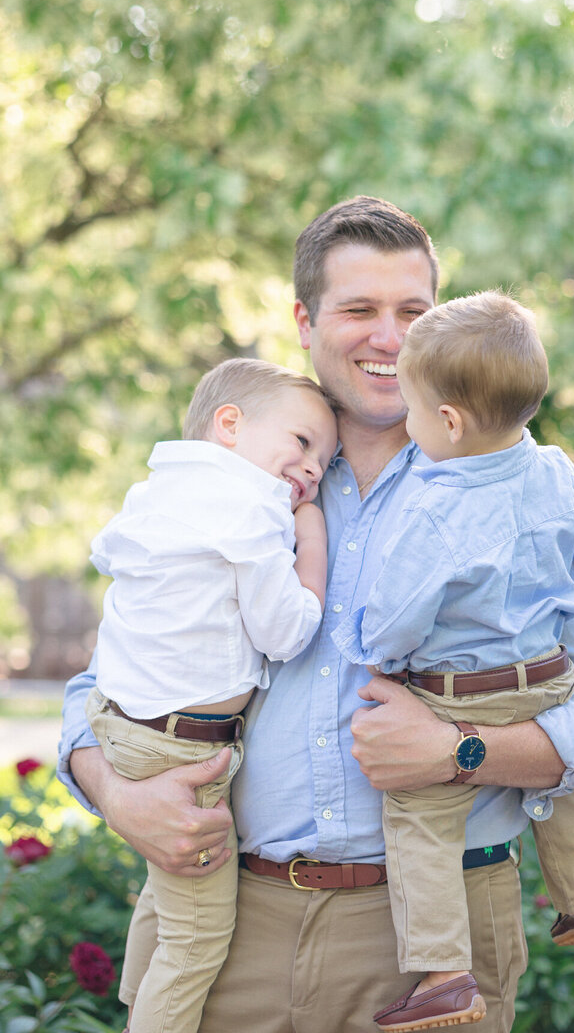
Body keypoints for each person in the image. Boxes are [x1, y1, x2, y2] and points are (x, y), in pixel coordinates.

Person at [58, 195, 574, 1033]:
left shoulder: (521, 490)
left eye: (412, 312)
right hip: (231, 919)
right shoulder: (249, 477)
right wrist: (110, 790)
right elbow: (109, 675)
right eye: (359, 310)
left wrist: (462, 750)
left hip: (435, 946)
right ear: (304, 320)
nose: (389, 336)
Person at [330, 292, 574, 1030]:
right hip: (546, 681)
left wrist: (375, 652)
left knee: (419, 816)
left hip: (462, 695)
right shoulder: (557, 473)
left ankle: (444, 972)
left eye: (414, 412)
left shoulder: (435, 509)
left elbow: (399, 612)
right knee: (563, 787)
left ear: (447, 421)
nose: (410, 426)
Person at [85, 359, 337, 1033]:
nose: (313, 470)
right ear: (231, 426)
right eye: (304, 443)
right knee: (194, 944)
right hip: (179, 751)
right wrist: (309, 542)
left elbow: (107, 552)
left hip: (126, 726)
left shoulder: (159, 491)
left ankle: (138, 1010)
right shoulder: (250, 508)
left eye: (326, 459)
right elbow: (286, 631)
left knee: (167, 913)